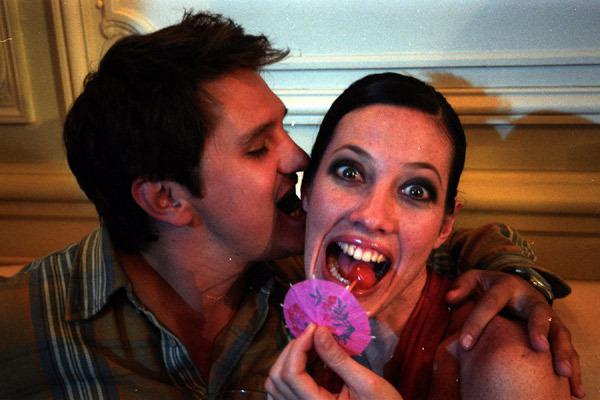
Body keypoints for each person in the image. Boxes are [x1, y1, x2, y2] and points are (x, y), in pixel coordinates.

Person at [0, 12, 580, 400]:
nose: (299, 158)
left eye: (285, 129)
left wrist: (517, 277)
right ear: (167, 199)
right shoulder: (23, 330)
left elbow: (435, 248)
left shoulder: (305, 264)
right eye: (259, 147)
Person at [265, 73, 575, 399]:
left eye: (415, 191)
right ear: (308, 189)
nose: (372, 216)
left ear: (445, 226)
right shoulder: (262, 303)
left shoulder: (509, 362)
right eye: (350, 172)